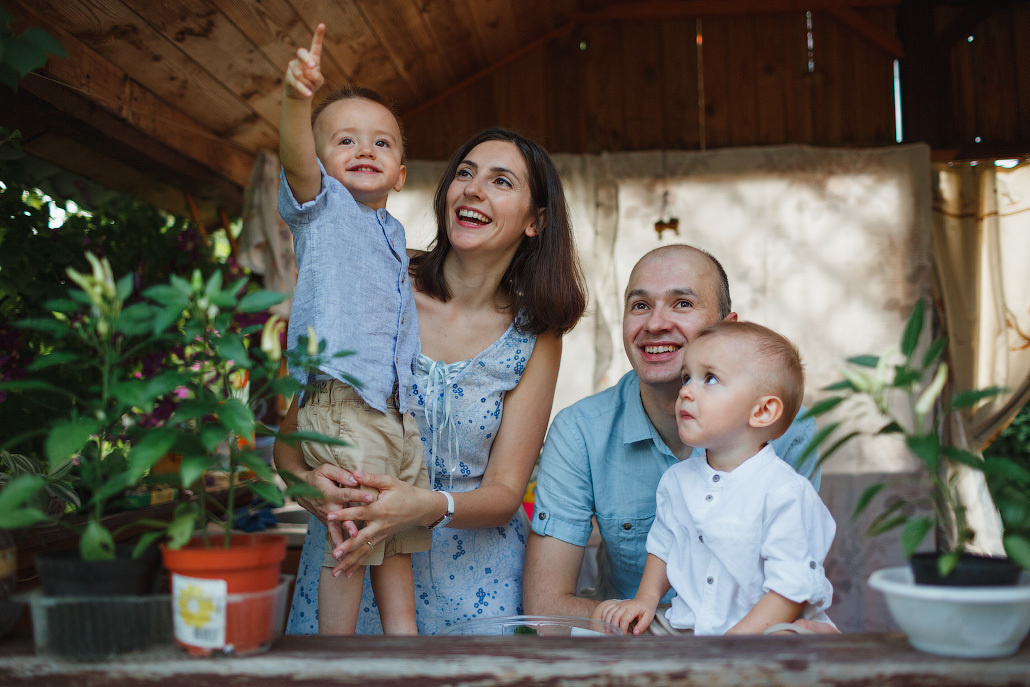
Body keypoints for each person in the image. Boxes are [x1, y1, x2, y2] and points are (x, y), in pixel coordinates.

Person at [274, 126, 587, 635]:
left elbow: (506, 492)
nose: (473, 189)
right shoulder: (382, 279)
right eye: (465, 173)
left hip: (478, 598)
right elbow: (292, 439)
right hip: (350, 570)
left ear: (536, 221)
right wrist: (309, 487)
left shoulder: (536, 333)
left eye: (501, 181)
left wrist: (423, 506)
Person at [524, 244, 830, 634]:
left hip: (750, 641)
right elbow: (546, 608)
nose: (655, 324)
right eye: (639, 305)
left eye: (682, 303)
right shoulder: (580, 432)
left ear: (726, 327)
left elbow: (792, 580)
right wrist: (647, 626)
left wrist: (724, 648)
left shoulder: (790, 431)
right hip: (634, 642)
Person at [278, 24, 430, 634]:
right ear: (318, 163)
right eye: (345, 140)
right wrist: (297, 100)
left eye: (382, 143)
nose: (365, 149)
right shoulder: (323, 209)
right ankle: (335, 658)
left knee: (393, 535)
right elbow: (294, 157)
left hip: (394, 412)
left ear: (400, 173)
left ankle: (404, 648)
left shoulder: (393, 234)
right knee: (350, 538)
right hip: (343, 403)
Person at [596, 321, 835, 635]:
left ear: (762, 411)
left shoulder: (785, 492)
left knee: (789, 638)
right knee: (607, 619)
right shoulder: (677, 480)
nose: (685, 391)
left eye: (709, 378)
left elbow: (790, 591)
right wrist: (645, 599)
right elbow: (664, 546)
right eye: (687, 377)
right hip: (691, 625)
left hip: (765, 630)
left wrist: (731, 644)